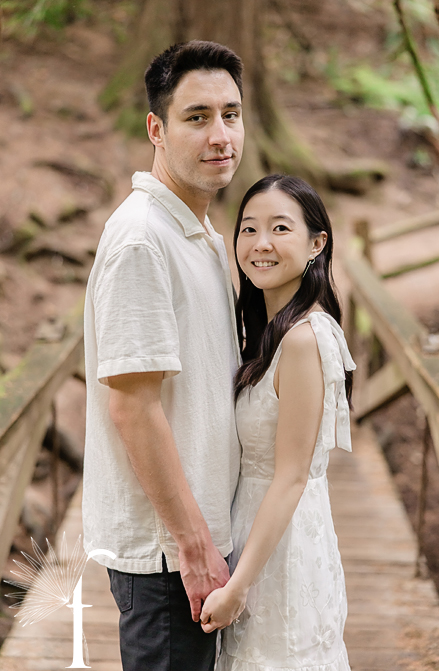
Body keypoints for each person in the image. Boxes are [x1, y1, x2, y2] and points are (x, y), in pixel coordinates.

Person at [82, 41, 244, 671]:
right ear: (157, 128)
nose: (220, 135)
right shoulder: (142, 241)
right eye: (197, 117)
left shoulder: (198, 230)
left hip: (197, 546)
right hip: (166, 559)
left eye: (230, 114)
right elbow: (132, 408)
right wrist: (195, 547)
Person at [198, 174, 355, 671]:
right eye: (248, 229)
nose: (261, 244)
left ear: (316, 244)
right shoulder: (267, 333)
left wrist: (237, 587)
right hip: (254, 534)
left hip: (281, 549)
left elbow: (290, 478)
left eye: (280, 229)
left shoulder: (305, 339)